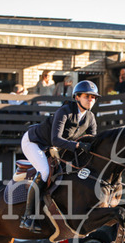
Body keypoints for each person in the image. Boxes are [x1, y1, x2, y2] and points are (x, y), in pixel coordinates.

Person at [20, 80, 99, 232]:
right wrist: (78, 146)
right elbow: (56, 139)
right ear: (77, 97)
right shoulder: (65, 111)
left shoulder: (90, 117)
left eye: (93, 97)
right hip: (34, 142)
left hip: (54, 147)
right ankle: (27, 217)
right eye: (87, 96)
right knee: (44, 172)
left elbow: (93, 141)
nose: (91, 100)